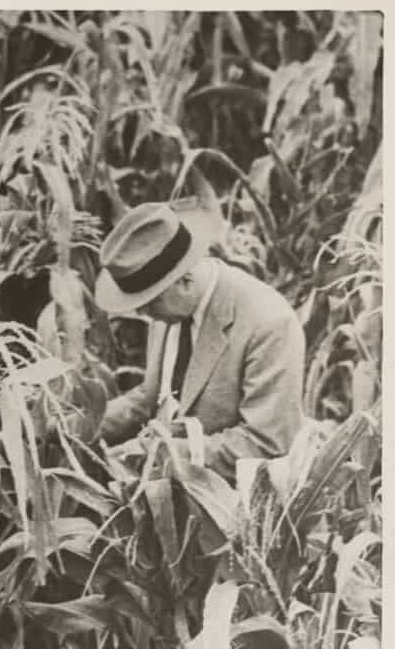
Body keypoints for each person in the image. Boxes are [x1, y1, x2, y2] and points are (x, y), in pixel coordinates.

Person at [94, 202, 306, 482]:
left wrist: (158, 453)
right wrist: (81, 424)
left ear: (185, 279)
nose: (144, 313)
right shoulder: (168, 311)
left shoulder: (268, 323)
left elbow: (266, 444)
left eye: (149, 302)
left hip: (225, 499)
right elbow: (150, 397)